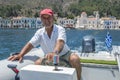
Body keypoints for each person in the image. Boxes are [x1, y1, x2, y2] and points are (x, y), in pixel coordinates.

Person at [8, 8, 81, 80]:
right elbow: (30, 44)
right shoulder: (39, 33)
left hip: (64, 55)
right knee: (36, 64)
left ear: (53, 18)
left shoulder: (60, 29)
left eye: (48, 18)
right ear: (41, 19)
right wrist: (21, 54)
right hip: (49, 57)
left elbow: (60, 42)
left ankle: (79, 78)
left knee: (75, 58)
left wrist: (54, 53)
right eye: (44, 18)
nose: (46, 21)